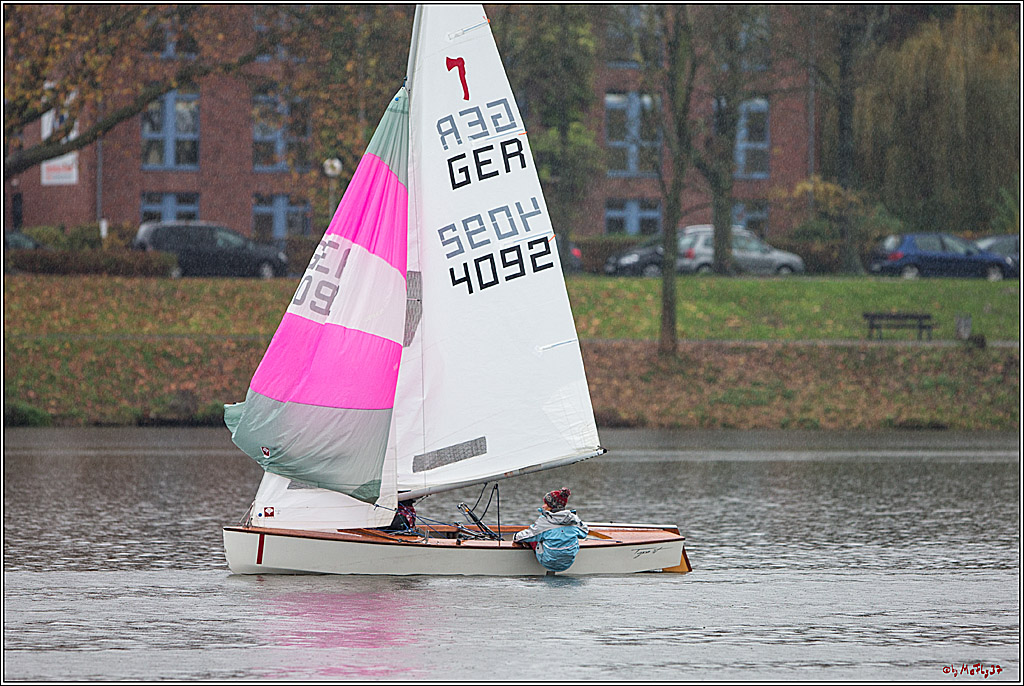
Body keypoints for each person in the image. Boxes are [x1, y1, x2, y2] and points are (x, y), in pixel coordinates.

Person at [512, 487, 588, 572]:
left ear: (552, 507)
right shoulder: (574, 520)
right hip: (568, 562)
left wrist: (515, 537)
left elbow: (523, 536)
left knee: (532, 537)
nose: (543, 506)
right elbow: (584, 532)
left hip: (547, 562)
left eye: (546, 504)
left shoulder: (543, 522)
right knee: (572, 536)